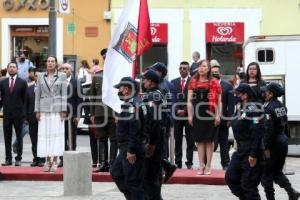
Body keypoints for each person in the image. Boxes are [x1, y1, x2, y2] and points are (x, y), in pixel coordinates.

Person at [261, 83, 300, 200]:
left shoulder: (268, 108)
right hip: (282, 141)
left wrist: (266, 147)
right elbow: (286, 124)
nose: (264, 93)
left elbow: (269, 130)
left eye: (266, 92)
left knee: (266, 174)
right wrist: (285, 139)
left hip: (273, 144)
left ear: (271, 94)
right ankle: (292, 192)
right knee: (277, 172)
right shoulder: (282, 106)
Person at [225, 83, 264, 199]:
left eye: (238, 94)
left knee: (248, 185)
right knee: (230, 177)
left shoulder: (254, 108)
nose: (236, 96)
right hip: (240, 150)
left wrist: (253, 154)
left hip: (251, 150)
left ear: (245, 95)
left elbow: (258, 133)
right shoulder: (241, 106)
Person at [110, 77, 147, 200]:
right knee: (116, 172)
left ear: (126, 89)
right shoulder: (135, 103)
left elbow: (135, 129)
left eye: (120, 88)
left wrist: (131, 150)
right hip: (127, 148)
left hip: (130, 149)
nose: (118, 91)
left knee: (133, 182)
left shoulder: (132, 105)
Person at [187, 59, 222, 175]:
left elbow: (219, 101)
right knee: (200, 140)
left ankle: (208, 166)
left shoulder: (214, 82)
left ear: (209, 70)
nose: (203, 68)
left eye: (205, 67)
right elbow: (189, 101)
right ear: (198, 68)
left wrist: (218, 115)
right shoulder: (193, 81)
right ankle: (201, 165)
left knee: (209, 140)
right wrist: (190, 116)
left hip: (210, 113)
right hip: (197, 113)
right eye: (201, 66)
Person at [35, 55, 67, 172]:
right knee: (45, 136)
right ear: (46, 63)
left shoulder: (62, 76)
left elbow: (64, 94)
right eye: (48, 61)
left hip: (57, 110)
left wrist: (63, 110)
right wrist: (37, 110)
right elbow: (37, 94)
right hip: (44, 109)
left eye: (52, 61)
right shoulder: (40, 76)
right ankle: (47, 160)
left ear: (56, 63)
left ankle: (55, 161)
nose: (50, 63)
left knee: (55, 135)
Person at [150, 62, 177, 182]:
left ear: (159, 72)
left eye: (154, 70)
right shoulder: (164, 84)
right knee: (160, 145)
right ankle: (164, 167)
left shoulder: (163, 86)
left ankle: (162, 169)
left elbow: (169, 104)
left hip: (161, 119)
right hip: (164, 118)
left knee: (160, 145)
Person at [141, 69, 164, 200]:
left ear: (150, 82)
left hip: (154, 138)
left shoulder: (153, 96)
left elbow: (155, 121)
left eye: (145, 79)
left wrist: (152, 143)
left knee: (151, 177)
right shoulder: (158, 93)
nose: (143, 82)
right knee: (153, 175)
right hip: (157, 137)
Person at [90, 67, 117, 172]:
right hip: (99, 112)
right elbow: (92, 96)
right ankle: (102, 163)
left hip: (113, 113)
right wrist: (92, 113)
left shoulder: (117, 74)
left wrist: (119, 113)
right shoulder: (97, 76)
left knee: (114, 139)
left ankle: (113, 164)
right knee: (101, 138)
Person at [0, 61, 27, 166]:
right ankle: (8, 159)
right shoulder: (3, 82)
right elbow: (1, 99)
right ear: (7, 69)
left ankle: (18, 158)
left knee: (19, 137)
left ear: (17, 69)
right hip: (6, 114)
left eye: (14, 67)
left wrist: (25, 115)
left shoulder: (22, 82)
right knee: (7, 137)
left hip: (19, 115)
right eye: (10, 67)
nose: (12, 69)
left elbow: (25, 100)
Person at [210, 59, 235, 170]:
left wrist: (230, 118)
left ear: (220, 73)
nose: (215, 73)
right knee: (210, 144)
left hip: (223, 119)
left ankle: (226, 164)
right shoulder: (207, 85)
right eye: (213, 72)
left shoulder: (227, 86)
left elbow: (231, 104)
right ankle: (206, 164)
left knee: (224, 143)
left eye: (217, 72)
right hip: (208, 119)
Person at [58, 63, 82, 167]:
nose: (64, 70)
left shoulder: (76, 82)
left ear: (71, 71)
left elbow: (80, 100)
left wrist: (78, 115)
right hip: (59, 115)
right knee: (61, 138)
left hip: (72, 115)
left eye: (66, 68)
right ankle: (62, 159)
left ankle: (72, 158)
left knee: (71, 138)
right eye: (62, 68)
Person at [171, 61, 194, 169]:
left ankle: (189, 162)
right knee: (178, 139)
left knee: (190, 140)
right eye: (180, 68)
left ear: (188, 70)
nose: (182, 70)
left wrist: (184, 110)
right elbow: (172, 98)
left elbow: (193, 98)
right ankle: (178, 162)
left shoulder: (193, 81)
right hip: (177, 116)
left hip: (188, 115)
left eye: (185, 68)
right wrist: (177, 110)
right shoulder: (173, 82)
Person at [24, 69, 45, 167]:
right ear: (34, 77)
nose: (38, 77)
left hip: (44, 118)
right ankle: (35, 159)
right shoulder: (29, 88)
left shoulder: (46, 88)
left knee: (42, 140)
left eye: (40, 76)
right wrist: (25, 117)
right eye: (36, 76)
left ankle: (42, 159)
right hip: (32, 118)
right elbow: (25, 104)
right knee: (34, 140)